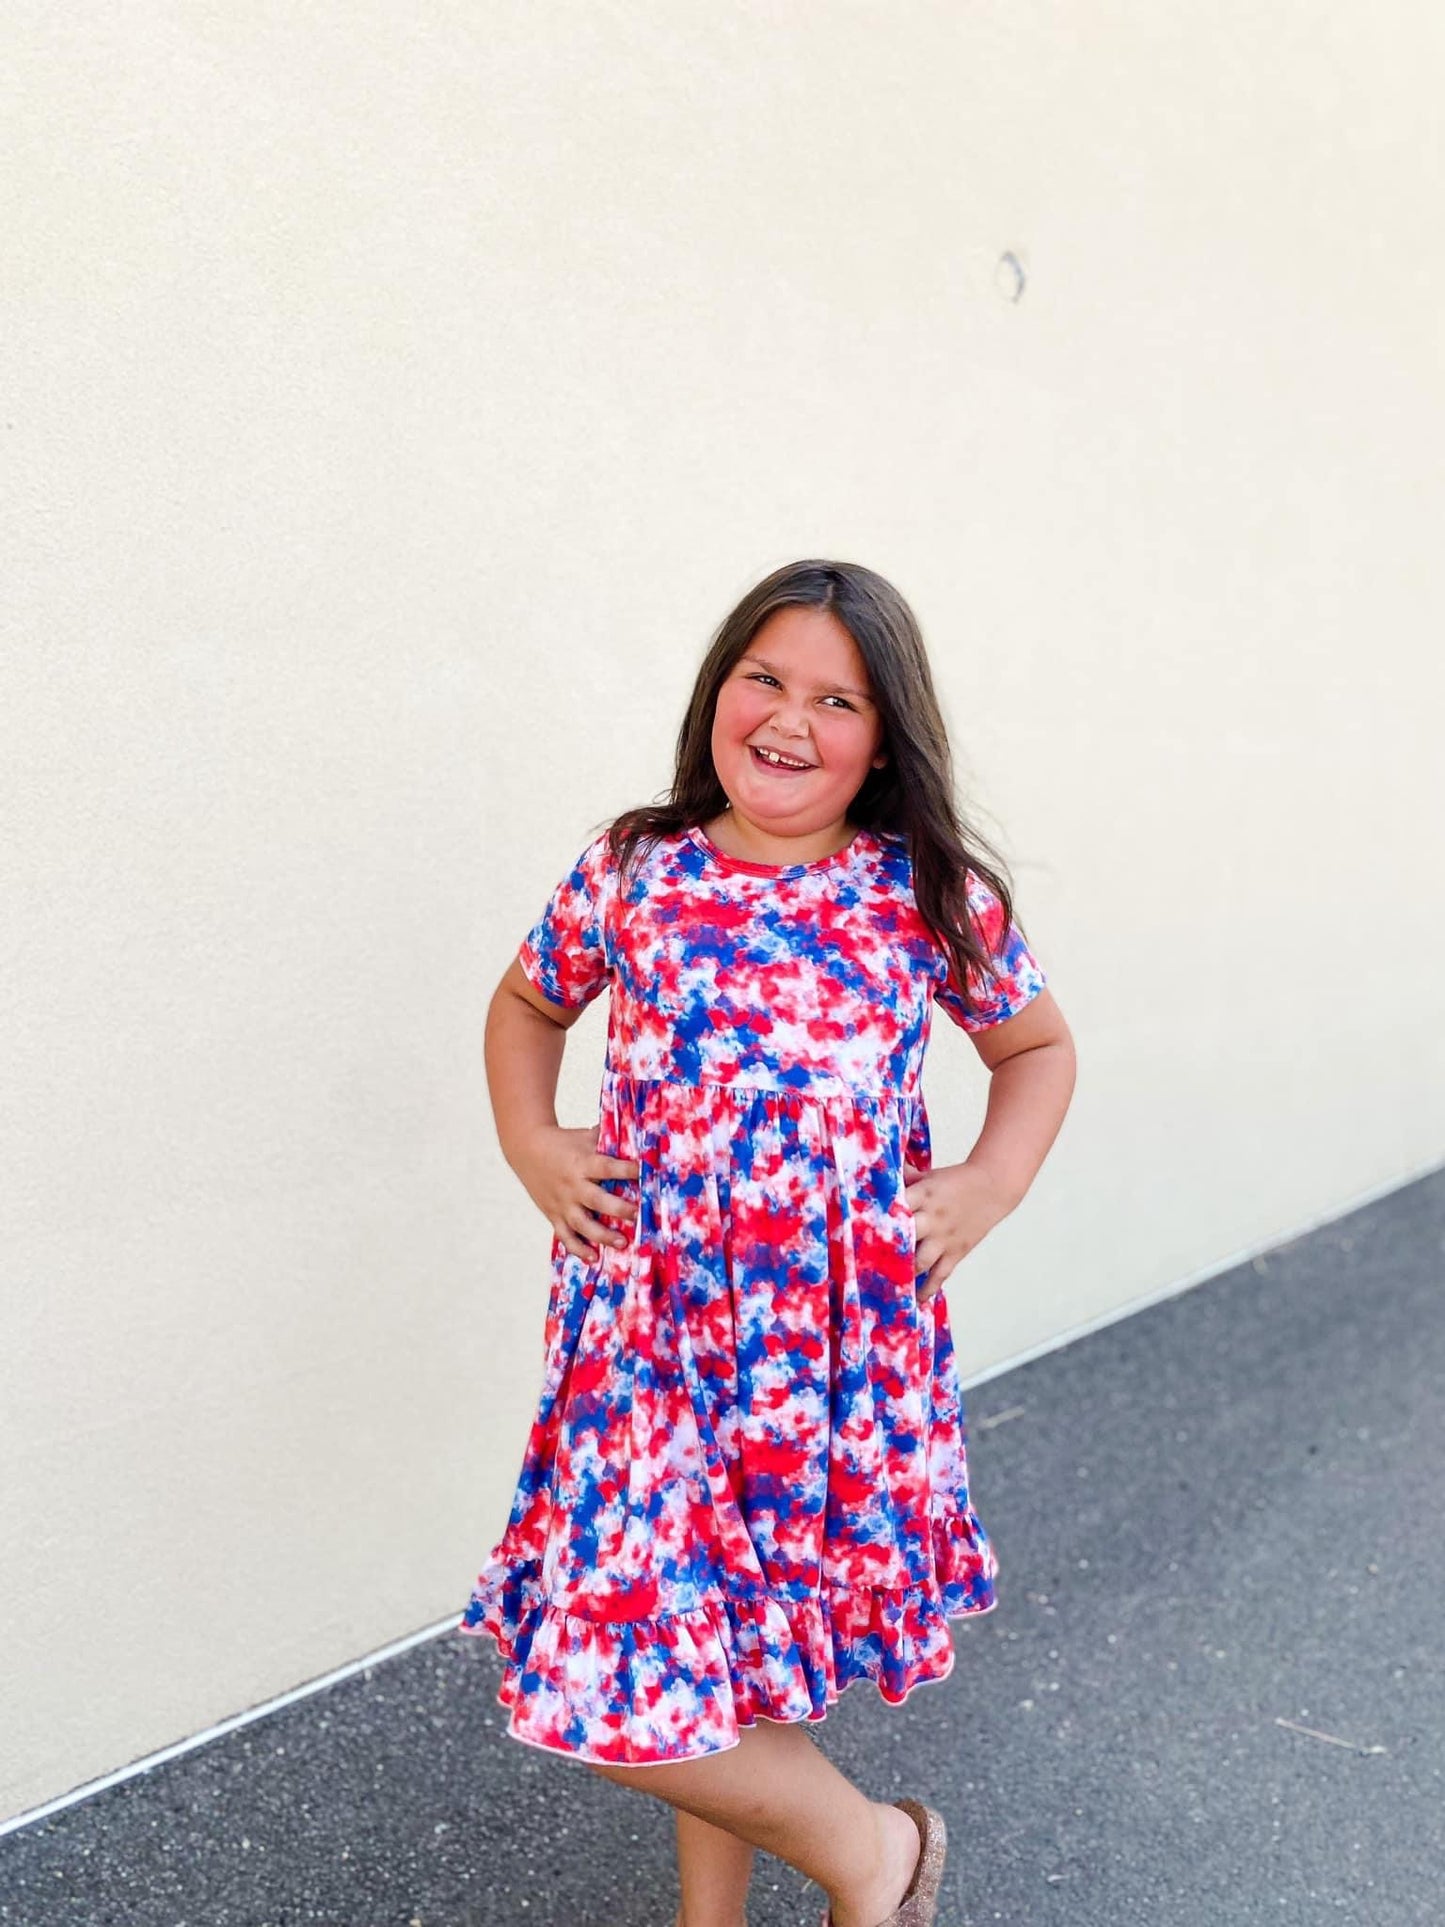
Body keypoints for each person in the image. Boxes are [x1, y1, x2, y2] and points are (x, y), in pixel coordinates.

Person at [458, 558, 1077, 1927]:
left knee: (720, 1653)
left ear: (882, 737)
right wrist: (532, 1139)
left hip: (824, 1347)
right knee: (626, 1670)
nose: (789, 718)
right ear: (717, 692)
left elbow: (1033, 1047)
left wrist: (988, 1182)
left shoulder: (923, 891)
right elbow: (524, 1006)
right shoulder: (635, 868)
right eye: (764, 678)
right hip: (647, 1336)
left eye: (835, 698)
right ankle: (874, 1856)